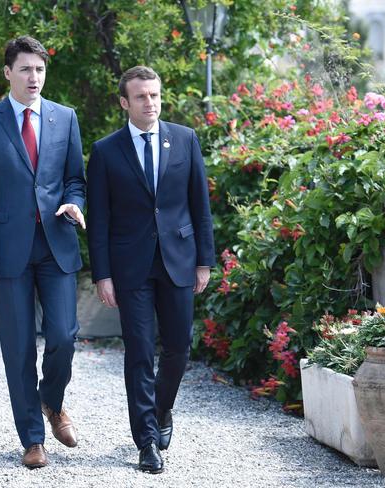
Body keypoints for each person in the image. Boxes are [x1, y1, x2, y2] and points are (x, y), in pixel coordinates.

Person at [0, 35, 86, 469]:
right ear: (8, 73)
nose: (34, 77)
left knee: (64, 337)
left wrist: (75, 203)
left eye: (40, 69)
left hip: (56, 245)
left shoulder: (64, 118)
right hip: (7, 251)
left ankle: (52, 402)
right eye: (26, 69)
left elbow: (75, 178)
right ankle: (32, 439)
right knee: (17, 349)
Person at [86, 66, 216, 474]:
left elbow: (200, 207)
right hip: (131, 266)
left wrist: (204, 261)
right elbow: (100, 218)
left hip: (179, 260)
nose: (150, 103)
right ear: (125, 102)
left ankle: (161, 410)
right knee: (140, 352)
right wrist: (102, 274)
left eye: (155, 95)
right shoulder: (106, 151)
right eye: (141, 96)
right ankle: (146, 441)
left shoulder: (185, 139)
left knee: (178, 348)